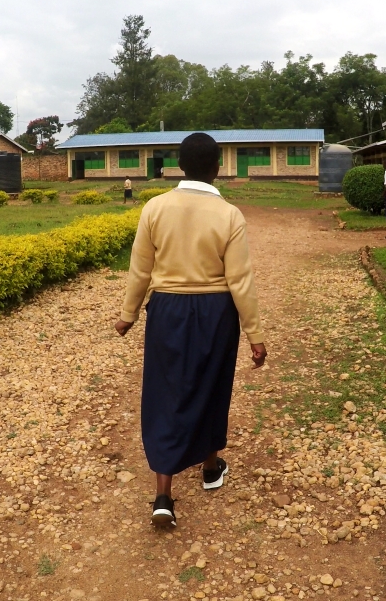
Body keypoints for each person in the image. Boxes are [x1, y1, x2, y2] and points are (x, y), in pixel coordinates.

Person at [114, 132, 268, 528]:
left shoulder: (154, 208)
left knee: (165, 391)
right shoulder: (229, 214)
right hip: (216, 311)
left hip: (167, 308)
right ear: (218, 167)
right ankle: (211, 469)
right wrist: (255, 334)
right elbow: (241, 281)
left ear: (180, 166)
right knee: (211, 386)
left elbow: (140, 269)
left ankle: (163, 495)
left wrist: (128, 314)